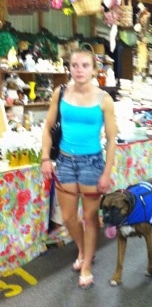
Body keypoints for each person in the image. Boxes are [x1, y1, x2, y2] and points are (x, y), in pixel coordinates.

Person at [41, 49, 117, 289]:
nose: (79, 69)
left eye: (85, 65)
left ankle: (86, 265)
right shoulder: (60, 93)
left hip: (92, 164)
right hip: (64, 162)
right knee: (69, 217)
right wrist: (45, 159)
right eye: (75, 65)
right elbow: (47, 127)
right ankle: (84, 250)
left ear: (94, 69)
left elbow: (113, 140)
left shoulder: (104, 99)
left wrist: (107, 172)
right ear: (69, 67)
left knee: (90, 218)